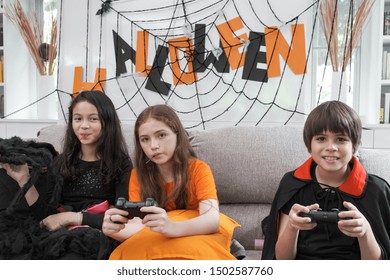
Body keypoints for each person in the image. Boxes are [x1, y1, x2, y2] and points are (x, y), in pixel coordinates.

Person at [0, 90, 132, 259]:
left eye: (93, 118)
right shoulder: (60, 162)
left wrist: (72, 217)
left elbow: (121, 218)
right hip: (57, 232)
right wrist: (24, 180)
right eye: (78, 119)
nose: (83, 125)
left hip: (95, 234)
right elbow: (45, 215)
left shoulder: (120, 163)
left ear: (107, 122)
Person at [102, 104, 239, 259]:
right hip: (159, 237)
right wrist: (114, 230)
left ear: (177, 135)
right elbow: (139, 226)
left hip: (194, 233)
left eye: (161, 135)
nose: (153, 146)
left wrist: (172, 227)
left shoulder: (198, 169)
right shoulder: (138, 175)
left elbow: (212, 219)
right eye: (145, 139)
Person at [261, 100, 390, 260]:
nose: (331, 147)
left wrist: (364, 232)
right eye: (321, 138)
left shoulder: (375, 190)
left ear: (354, 145)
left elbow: (377, 268)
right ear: (309, 144)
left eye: (341, 139)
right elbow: (282, 260)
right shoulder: (292, 183)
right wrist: (292, 228)